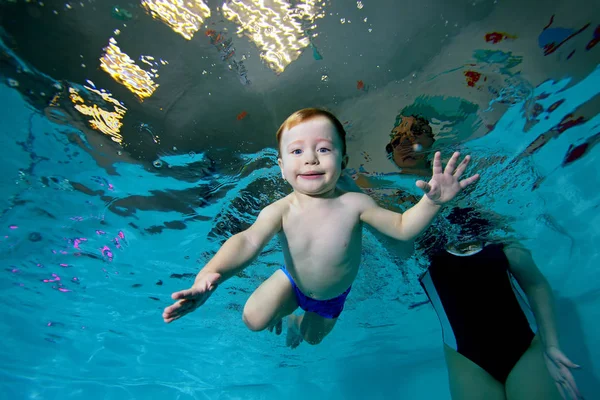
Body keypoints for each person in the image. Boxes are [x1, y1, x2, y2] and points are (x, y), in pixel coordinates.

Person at [162, 108, 480, 348]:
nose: (311, 159)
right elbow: (246, 241)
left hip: (331, 297)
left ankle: (300, 314)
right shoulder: (280, 210)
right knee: (253, 320)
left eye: (324, 149)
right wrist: (209, 278)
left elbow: (400, 228)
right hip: (293, 281)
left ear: (343, 162)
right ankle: (284, 295)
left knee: (311, 338)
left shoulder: (356, 204)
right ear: (282, 167)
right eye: (297, 151)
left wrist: (432, 202)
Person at [418, 207, 583, 400]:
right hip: (466, 359)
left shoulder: (491, 230)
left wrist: (551, 345)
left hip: (525, 346)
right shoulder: (417, 239)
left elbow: (536, 284)